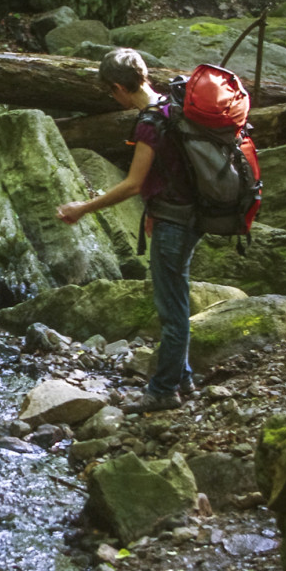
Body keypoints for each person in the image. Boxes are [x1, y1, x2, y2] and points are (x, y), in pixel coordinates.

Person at [56, 47, 198, 412]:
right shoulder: (172, 106)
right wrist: (154, 208)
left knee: (172, 309)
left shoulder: (150, 123)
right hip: (186, 215)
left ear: (119, 87)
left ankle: (163, 390)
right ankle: (183, 378)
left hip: (175, 223)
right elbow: (172, 170)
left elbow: (133, 183)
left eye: (110, 92)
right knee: (176, 297)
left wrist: (82, 208)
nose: (111, 98)